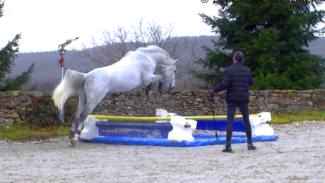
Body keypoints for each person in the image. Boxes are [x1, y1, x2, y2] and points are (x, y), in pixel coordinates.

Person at [209, 51, 256, 153]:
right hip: (243, 98)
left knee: (230, 122)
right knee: (246, 121)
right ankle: (250, 144)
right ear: (243, 60)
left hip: (232, 99)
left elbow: (224, 84)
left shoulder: (228, 70)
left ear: (234, 59)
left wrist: (214, 90)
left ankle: (228, 146)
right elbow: (251, 82)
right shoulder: (247, 70)